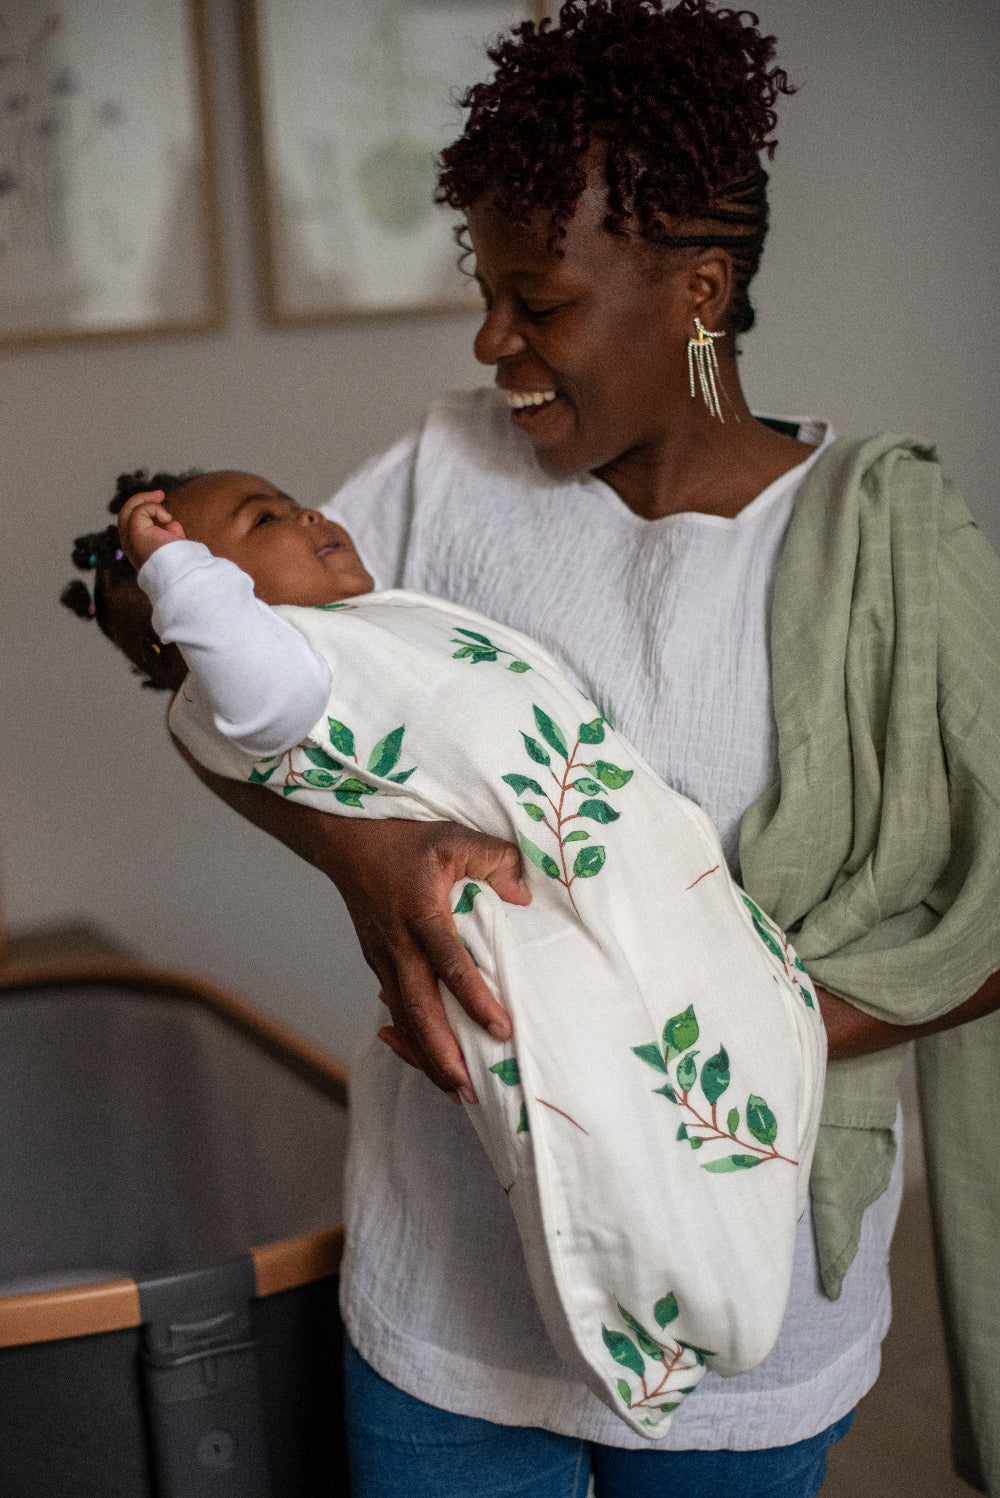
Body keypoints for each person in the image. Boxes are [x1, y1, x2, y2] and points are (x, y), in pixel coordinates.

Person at [95, 3, 1000, 1494]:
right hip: (448, 1280)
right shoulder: (442, 473)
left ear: (698, 292)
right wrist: (367, 857)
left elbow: (981, 912)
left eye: (541, 300)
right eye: (486, 289)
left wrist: (685, 1045)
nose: (491, 339)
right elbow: (220, 695)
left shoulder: (877, 541)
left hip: (737, 1286)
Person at [63, 468, 825, 1437]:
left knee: (718, 1059)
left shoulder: (375, 625)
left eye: (292, 501)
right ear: (200, 616)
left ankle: (728, 1231)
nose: (311, 515)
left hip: (624, 867)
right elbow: (245, 678)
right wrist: (169, 564)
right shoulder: (282, 673)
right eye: (264, 521)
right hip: (534, 928)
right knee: (608, 1113)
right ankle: (663, 1308)